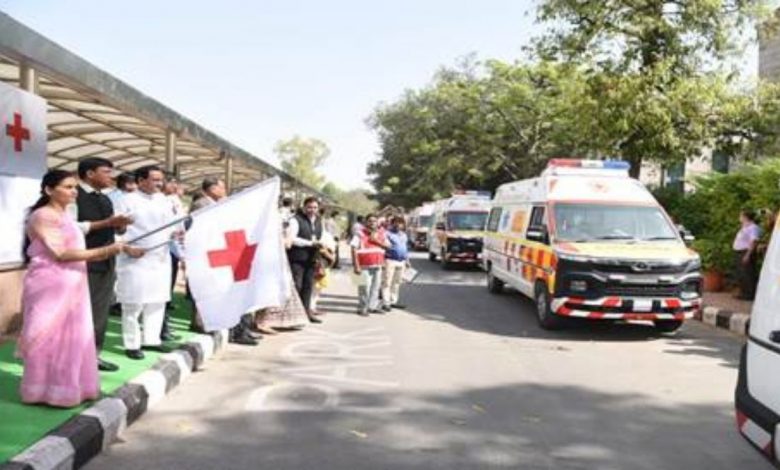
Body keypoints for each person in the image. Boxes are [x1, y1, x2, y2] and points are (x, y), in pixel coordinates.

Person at [18, 170, 141, 407]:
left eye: (75, 187)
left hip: (73, 280)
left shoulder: (64, 213)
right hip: (50, 283)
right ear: (48, 190)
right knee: (47, 336)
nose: (73, 191)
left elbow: (80, 229)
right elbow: (61, 253)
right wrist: (108, 250)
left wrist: (112, 227)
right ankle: (40, 391)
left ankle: (67, 389)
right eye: (67, 187)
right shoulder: (42, 215)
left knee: (72, 336)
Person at [74, 158, 135, 372]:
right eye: (106, 172)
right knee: (80, 313)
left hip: (107, 262)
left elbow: (111, 228)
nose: (111, 177)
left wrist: (120, 227)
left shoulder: (106, 199)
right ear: (90, 174)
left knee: (100, 312)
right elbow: (72, 228)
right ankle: (74, 357)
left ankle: (93, 356)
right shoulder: (75, 196)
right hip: (82, 262)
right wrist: (109, 223)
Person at [114, 165, 179, 359]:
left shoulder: (165, 201)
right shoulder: (125, 200)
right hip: (135, 258)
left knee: (157, 301)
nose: (159, 184)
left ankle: (152, 340)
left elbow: (173, 223)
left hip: (160, 257)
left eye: (161, 180)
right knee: (133, 303)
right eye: (154, 179)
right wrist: (125, 247)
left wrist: (175, 233)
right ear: (140, 181)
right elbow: (114, 229)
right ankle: (132, 344)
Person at [188, 177, 259, 345]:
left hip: (214, 250)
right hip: (207, 252)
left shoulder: (213, 203)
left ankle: (213, 323)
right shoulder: (202, 204)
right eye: (222, 187)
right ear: (212, 188)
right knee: (207, 289)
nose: (224, 189)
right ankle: (201, 323)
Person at [287, 196, 325, 323]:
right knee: (297, 285)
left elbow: (321, 236)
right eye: (309, 207)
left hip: (312, 258)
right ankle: (293, 315)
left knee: (308, 286)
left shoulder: (319, 220)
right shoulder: (296, 220)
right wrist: (310, 243)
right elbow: (292, 238)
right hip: (297, 258)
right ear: (304, 207)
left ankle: (306, 312)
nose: (312, 210)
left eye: (315, 207)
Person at [161, 174, 185, 341]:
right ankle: (161, 328)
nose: (175, 186)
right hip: (164, 250)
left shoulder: (173, 200)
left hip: (174, 249)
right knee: (160, 293)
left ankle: (163, 326)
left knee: (165, 292)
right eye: (172, 183)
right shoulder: (161, 202)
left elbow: (178, 226)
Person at [351, 213, 389, 316]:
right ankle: (362, 308)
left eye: (374, 221)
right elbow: (353, 248)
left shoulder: (382, 233)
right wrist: (356, 265)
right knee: (364, 288)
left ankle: (372, 307)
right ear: (365, 222)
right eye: (370, 221)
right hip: (363, 265)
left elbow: (388, 246)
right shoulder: (359, 233)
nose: (372, 223)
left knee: (375, 288)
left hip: (378, 264)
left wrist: (376, 240)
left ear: (377, 223)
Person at [381, 215, 411, 311]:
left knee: (397, 282)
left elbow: (405, 249)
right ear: (392, 223)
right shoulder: (387, 234)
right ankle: (386, 303)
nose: (398, 224)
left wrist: (407, 260)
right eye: (396, 222)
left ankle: (393, 301)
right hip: (390, 260)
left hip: (401, 261)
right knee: (387, 282)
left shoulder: (404, 235)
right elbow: (384, 245)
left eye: (400, 223)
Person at [733, 209, 762, 301]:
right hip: (739, 252)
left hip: (746, 252)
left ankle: (750, 294)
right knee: (741, 273)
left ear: (746, 217)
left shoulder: (753, 227)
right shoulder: (745, 227)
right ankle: (744, 292)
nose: (739, 217)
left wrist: (747, 255)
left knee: (748, 273)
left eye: (741, 216)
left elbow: (753, 242)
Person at [311, 228, 337, 314]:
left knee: (318, 287)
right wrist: (330, 257)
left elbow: (331, 250)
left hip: (323, 265)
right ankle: (311, 307)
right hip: (319, 264)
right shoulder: (320, 234)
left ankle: (312, 307)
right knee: (315, 287)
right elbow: (324, 250)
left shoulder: (326, 234)